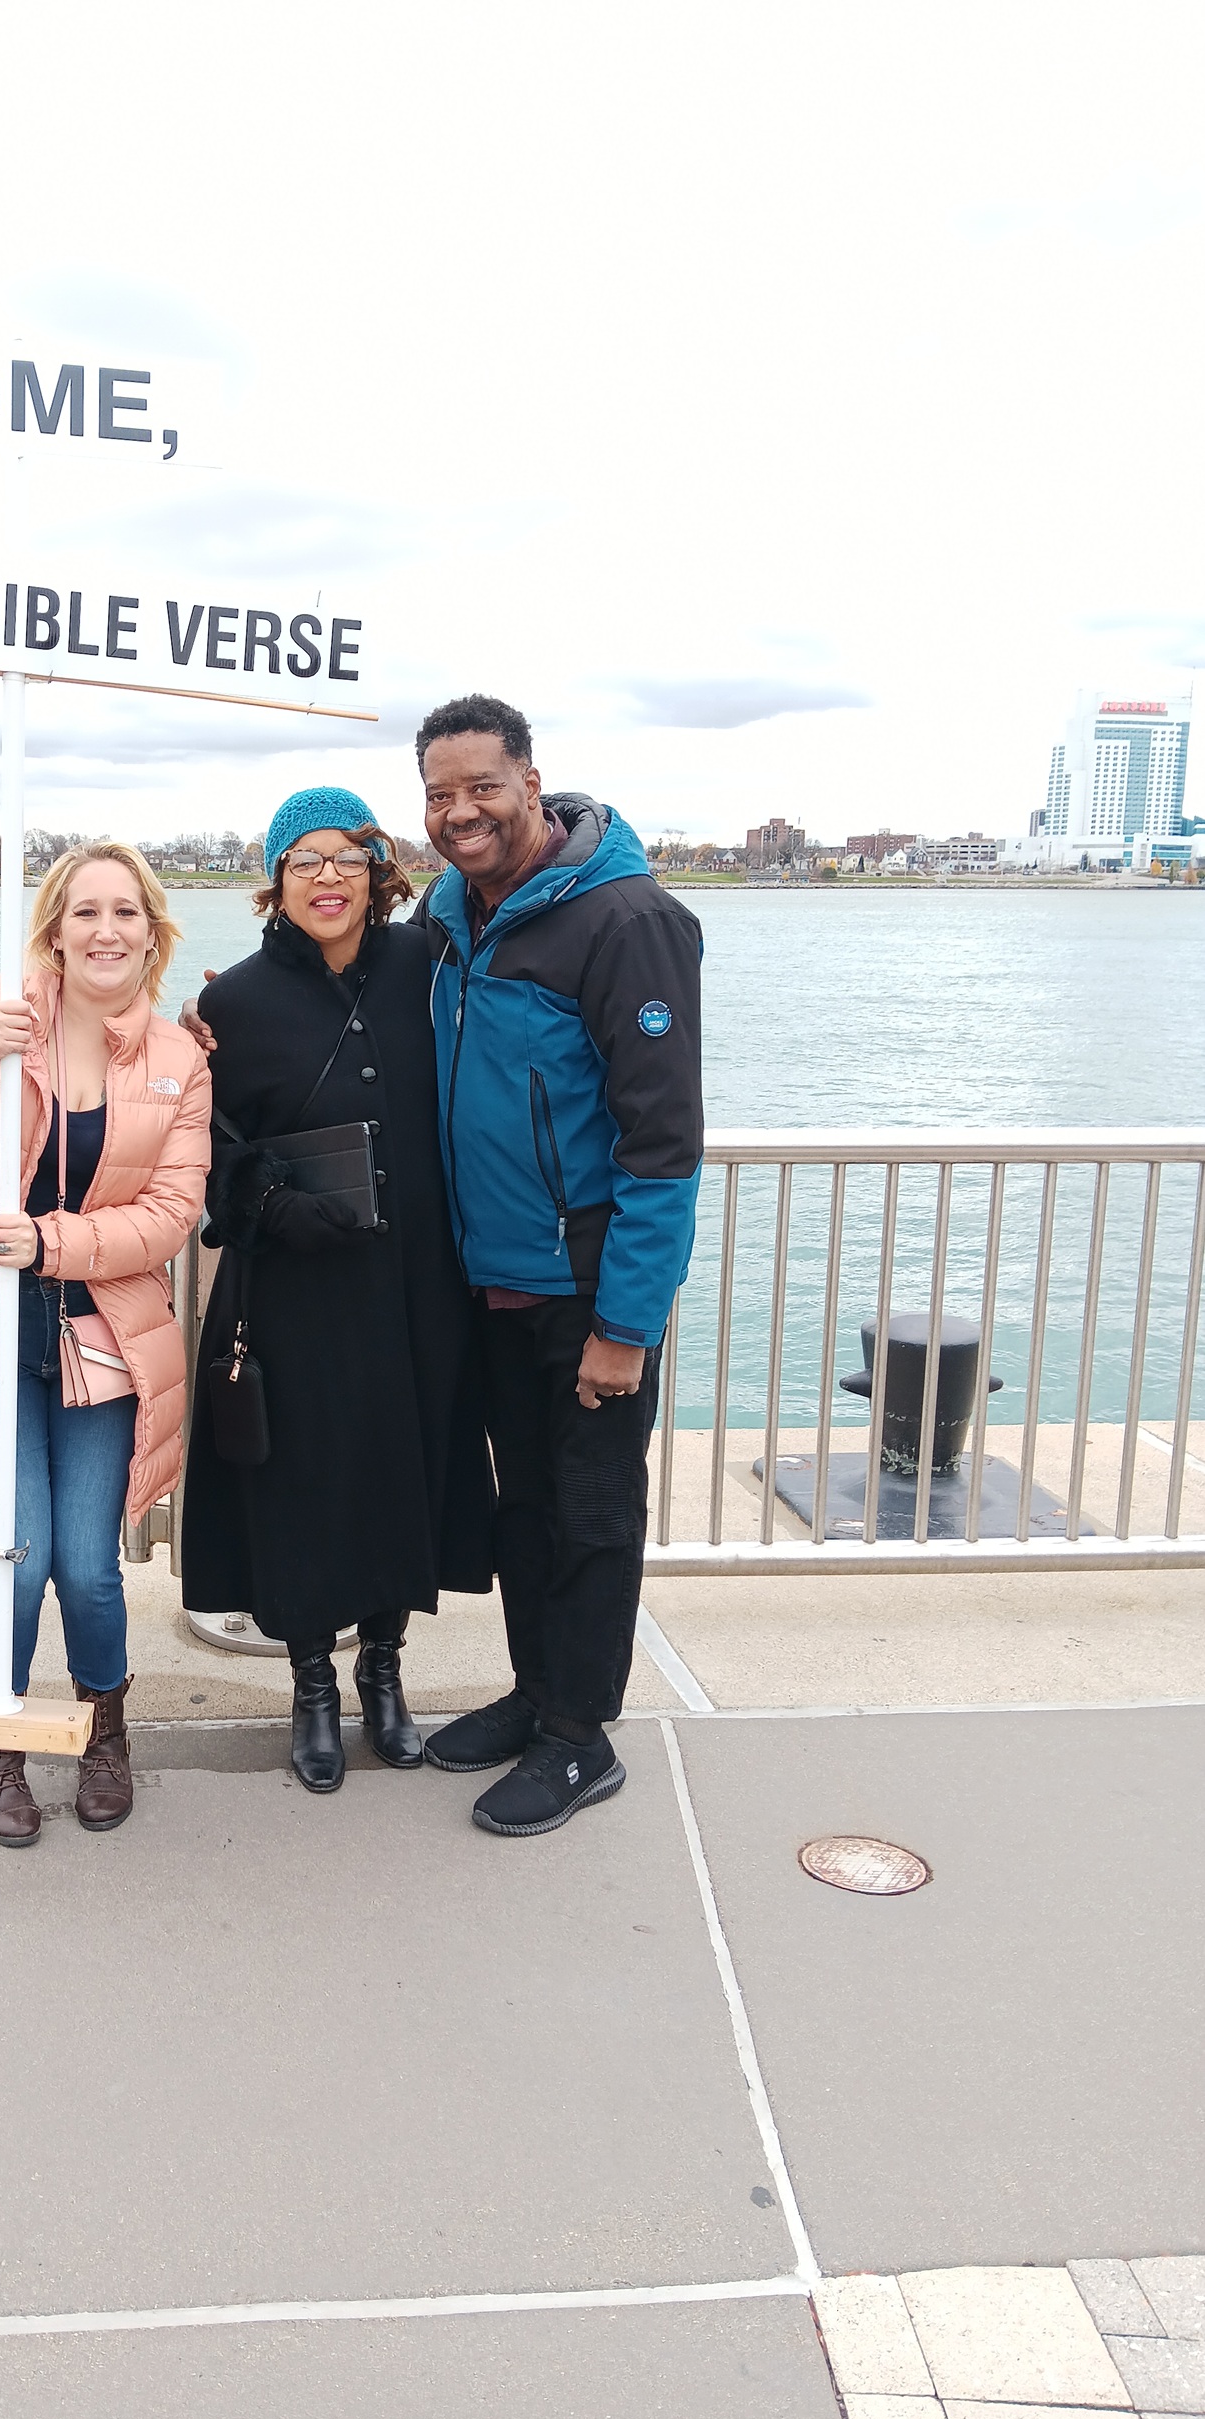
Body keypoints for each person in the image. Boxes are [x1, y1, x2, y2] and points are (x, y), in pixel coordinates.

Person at [410, 694, 704, 1836]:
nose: (462, 812)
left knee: (590, 1513)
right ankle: (538, 1694)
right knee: (524, 1509)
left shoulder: (627, 921)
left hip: (584, 1289)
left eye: (483, 787)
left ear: (532, 784)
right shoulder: (450, 914)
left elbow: (663, 1148)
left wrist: (626, 1328)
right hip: (490, 1284)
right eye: (440, 794)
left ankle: (582, 1738)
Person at [0, 844, 211, 1848]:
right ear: (55, 931)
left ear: (151, 933)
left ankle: (105, 1731)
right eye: (85, 912)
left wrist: (54, 1243)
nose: (106, 930)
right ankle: (1, 1740)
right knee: (16, 1559)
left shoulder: (177, 1060)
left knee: (91, 1568)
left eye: (126, 912)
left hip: (100, 1343)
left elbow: (173, 1214)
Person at [180, 787, 495, 1793]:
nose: (328, 877)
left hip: (416, 1283)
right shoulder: (230, 1005)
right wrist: (273, 1205)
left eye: (348, 858)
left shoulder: (427, 965)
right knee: (304, 1488)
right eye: (305, 859)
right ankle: (312, 1686)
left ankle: (384, 1674)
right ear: (276, 879)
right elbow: (208, 1151)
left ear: (377, 873)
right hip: (292, 1291)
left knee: (405, 1473)